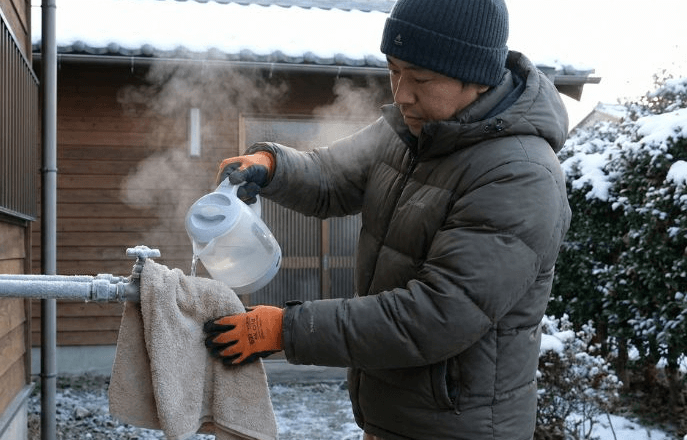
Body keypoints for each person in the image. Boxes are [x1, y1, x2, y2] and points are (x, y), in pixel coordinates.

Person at [203, 0, 572, 438]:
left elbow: (434, 317)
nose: (401, 94)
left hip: (458, 427)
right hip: (392, 416)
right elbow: (332, 176)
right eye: (393, 70)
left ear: (477, 77)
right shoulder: (412, 131)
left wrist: (287, 329)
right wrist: (272, 165)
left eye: (420, 78)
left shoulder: (519, 174)